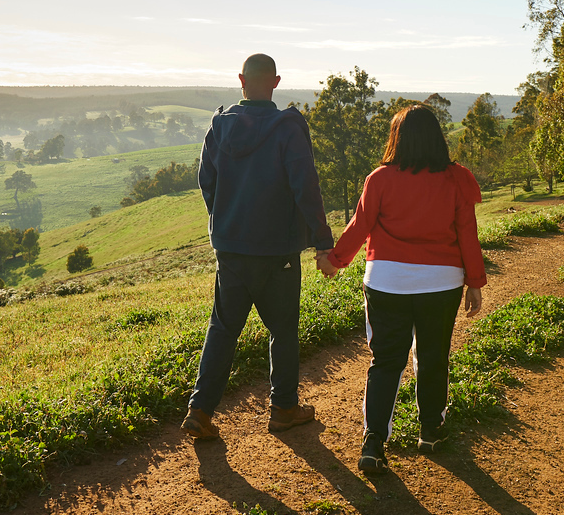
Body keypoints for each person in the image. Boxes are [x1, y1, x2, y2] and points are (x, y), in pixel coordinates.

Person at [316, 105, 485, 475]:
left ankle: (374, 442)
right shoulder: (457, 179)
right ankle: (431, 431)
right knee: (433, 356)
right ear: (437, 137)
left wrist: (335, 260)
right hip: (441, 283)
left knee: (386, 361)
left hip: (386, 282)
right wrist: (474, 282)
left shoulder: (380, 179)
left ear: (397, 138)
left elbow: (360, 225)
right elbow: (467, 233)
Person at [181, 54, 334, 440]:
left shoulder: (219, 126)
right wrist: (322, 241)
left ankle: (200, 410)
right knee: (283, 329)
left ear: (241, 80)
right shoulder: (288, 128)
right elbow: (306, 187)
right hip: (277, 251)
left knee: (223, 327)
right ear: (276, 82)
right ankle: (283, 408)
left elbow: (206, 181)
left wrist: (225, 221)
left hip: (230, 248)